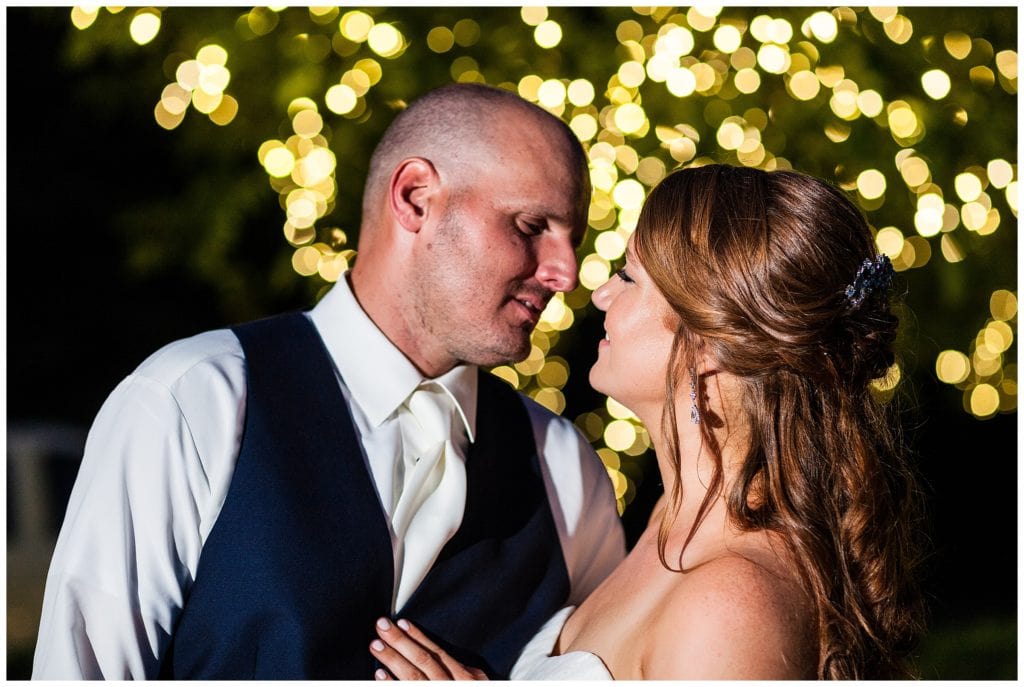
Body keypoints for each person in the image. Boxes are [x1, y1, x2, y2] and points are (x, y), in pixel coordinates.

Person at [31, 83, 626, 680]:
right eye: (530, 225)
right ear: (416, 198)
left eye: (571, 239)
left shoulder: (564, 469)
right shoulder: (192, 400)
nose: (566, 273)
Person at [369, 164, 925, 680]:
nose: (601, 292)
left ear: (710, 341)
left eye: (630, 278)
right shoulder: (671, 517)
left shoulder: (729, 605)